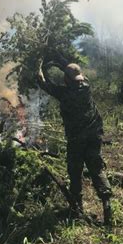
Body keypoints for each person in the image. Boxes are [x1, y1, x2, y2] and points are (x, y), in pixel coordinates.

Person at [38, 61, 112, 226]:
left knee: (75, 171)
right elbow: (74, 72)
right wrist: (62, 65)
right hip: (94, 135)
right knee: (97, 168)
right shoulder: (86, 86)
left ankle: (76, 209)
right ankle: (107, 203)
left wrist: (40, 64)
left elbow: (42, 82)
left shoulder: (64, 93)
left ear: (66, 80)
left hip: (77, 139)